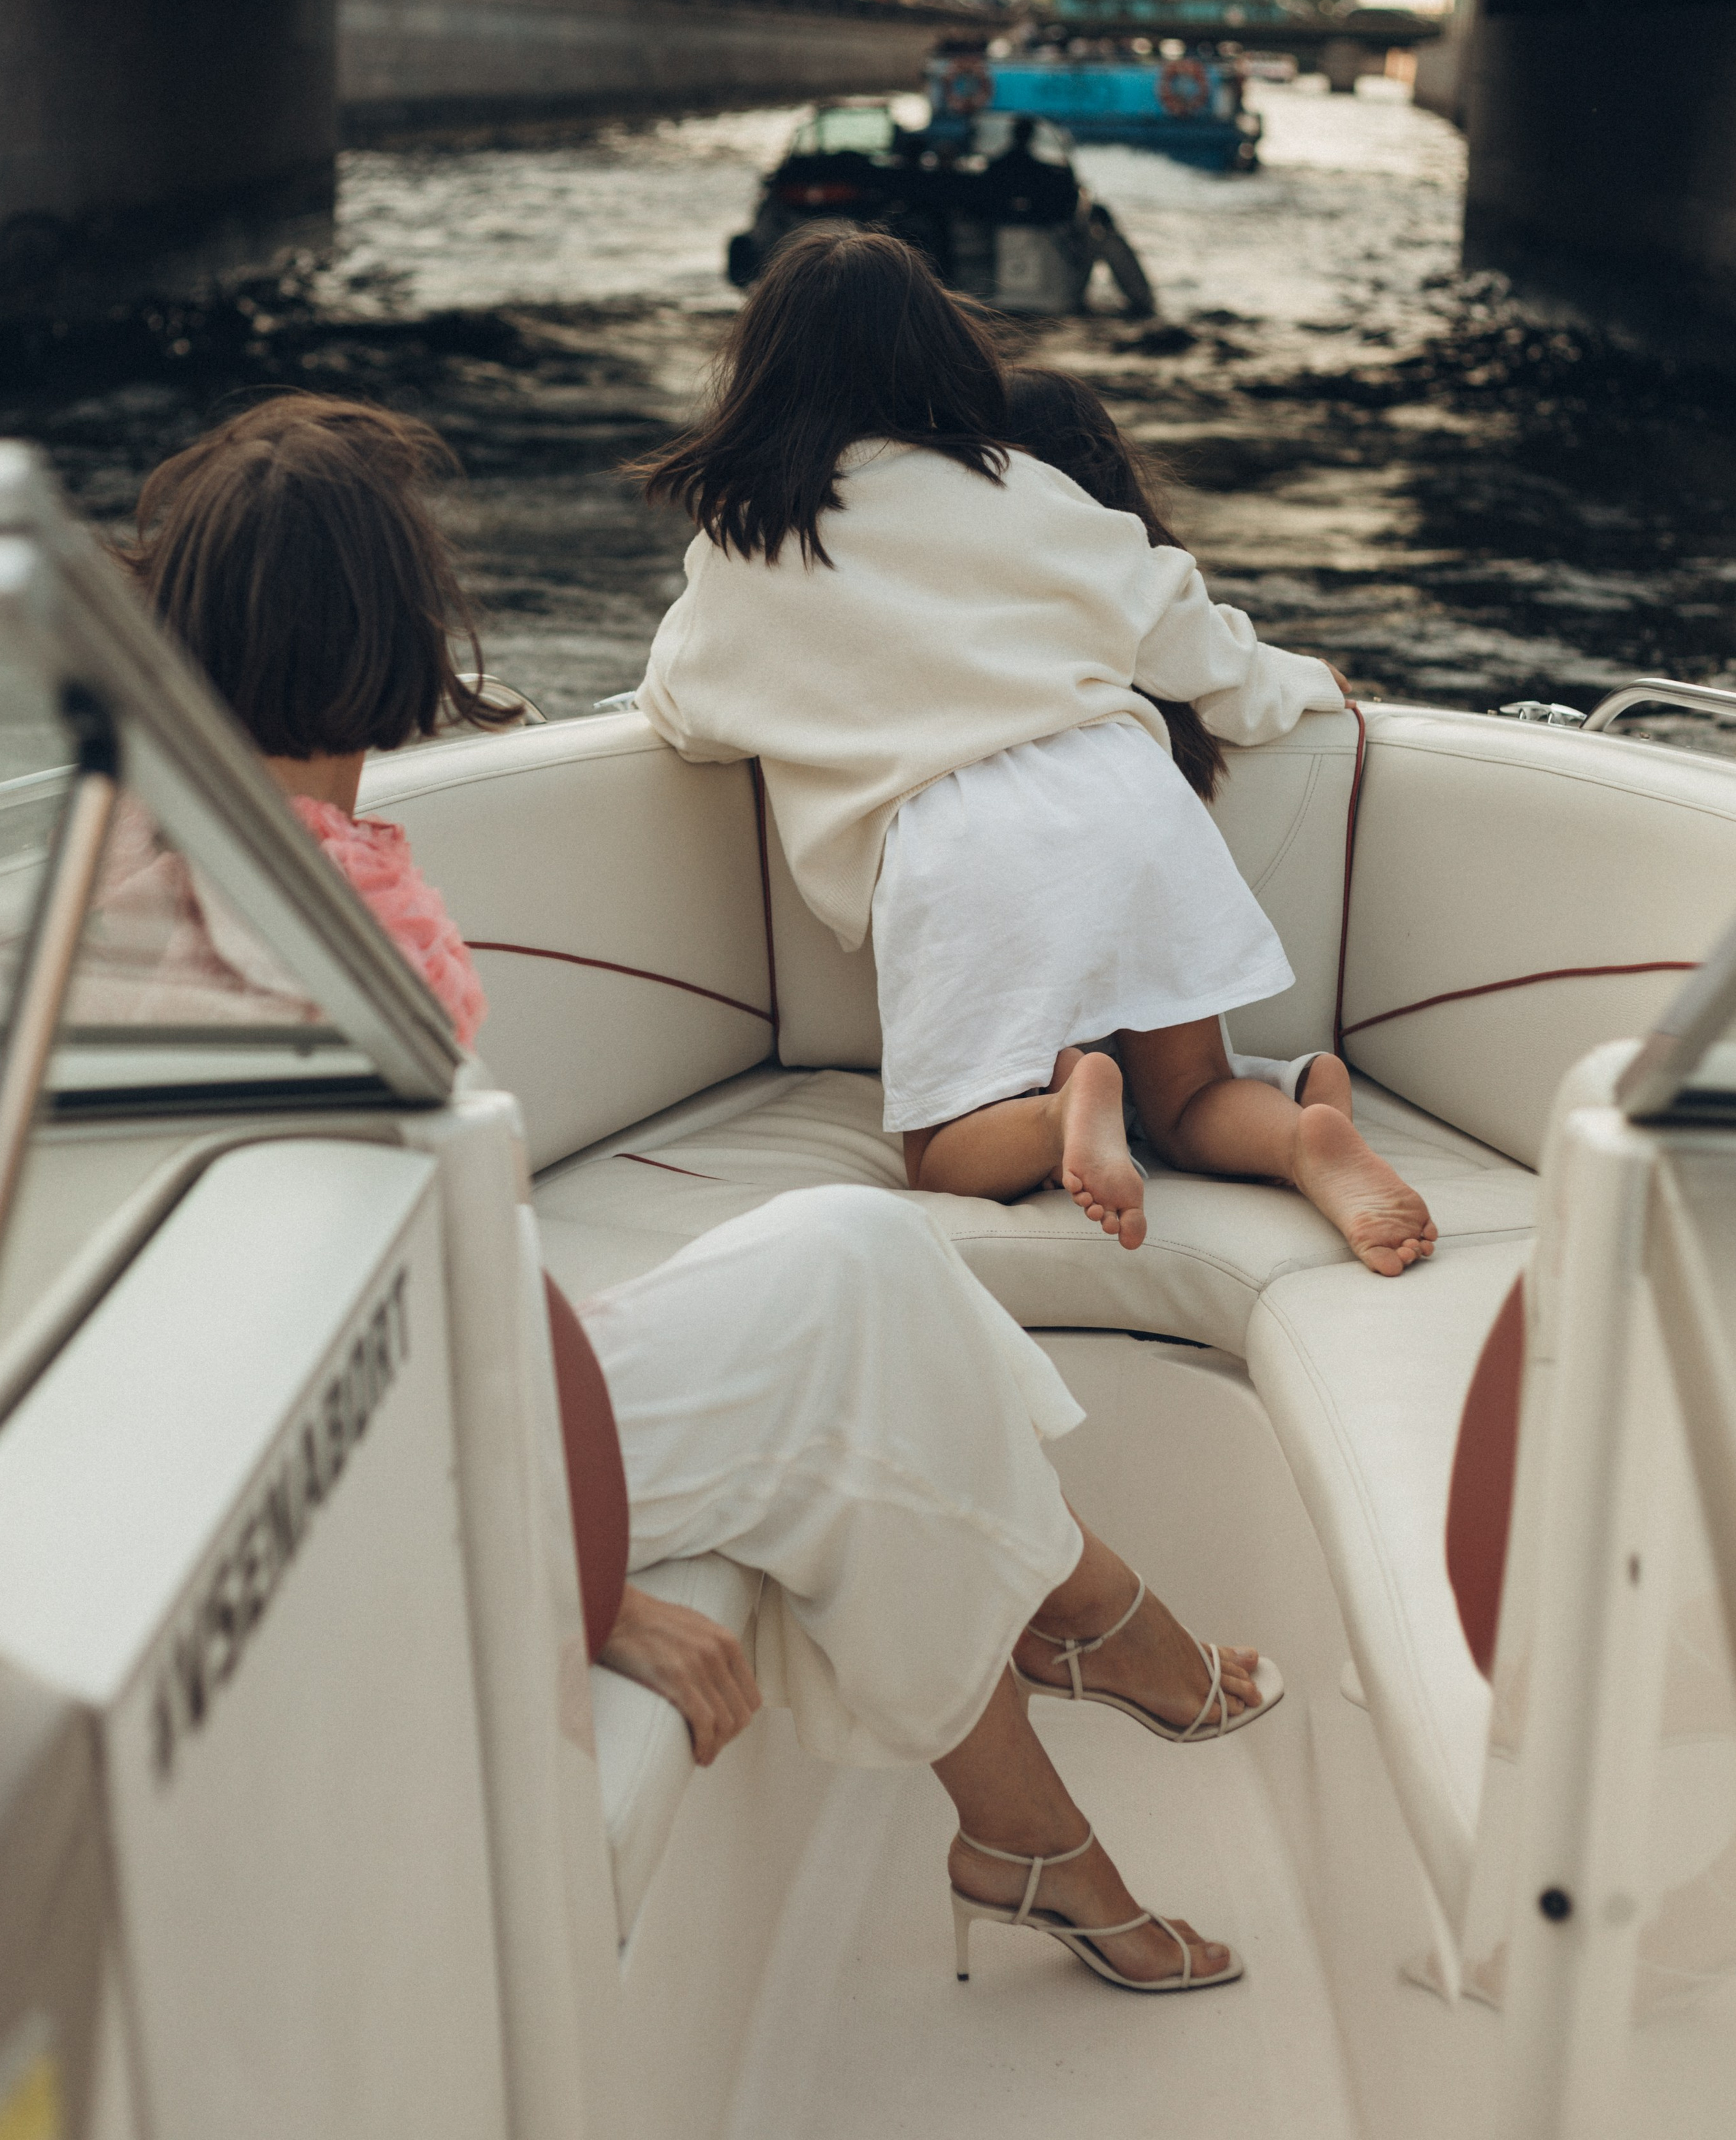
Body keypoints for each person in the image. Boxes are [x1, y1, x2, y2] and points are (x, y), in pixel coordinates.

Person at [124, 389, 1279, 1996]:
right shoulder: (305, 936)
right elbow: (311, 1358)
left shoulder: (187, 866)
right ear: (391, 628)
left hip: (453, 1384)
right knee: (859, 1360)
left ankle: (1054, 1720)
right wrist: (580, 1589)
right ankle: (1064, 1701)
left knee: (862, 1254)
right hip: (412, 1463)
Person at [634, 226, 1436, 1277]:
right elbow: (1182, 631)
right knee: (1192, 1098)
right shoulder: (1016, 482)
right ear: (942, 353)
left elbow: (682, 707)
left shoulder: (749, 538)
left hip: (958, 841)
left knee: (943, 1154)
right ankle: (1297, 1139)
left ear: (761, 376)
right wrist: (1299, 681)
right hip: (1127, 796)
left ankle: (1065, 1109)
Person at [1003, 367, 1354, 1126]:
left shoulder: (974, 578)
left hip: (1021, 854)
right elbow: (1230, 679)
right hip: (1148, 829)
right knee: (1188, 1096)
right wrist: (1318, 680)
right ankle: (1292, 1105)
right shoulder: (1129, 570)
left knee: (1025, 1088)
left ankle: (1069, 1096)